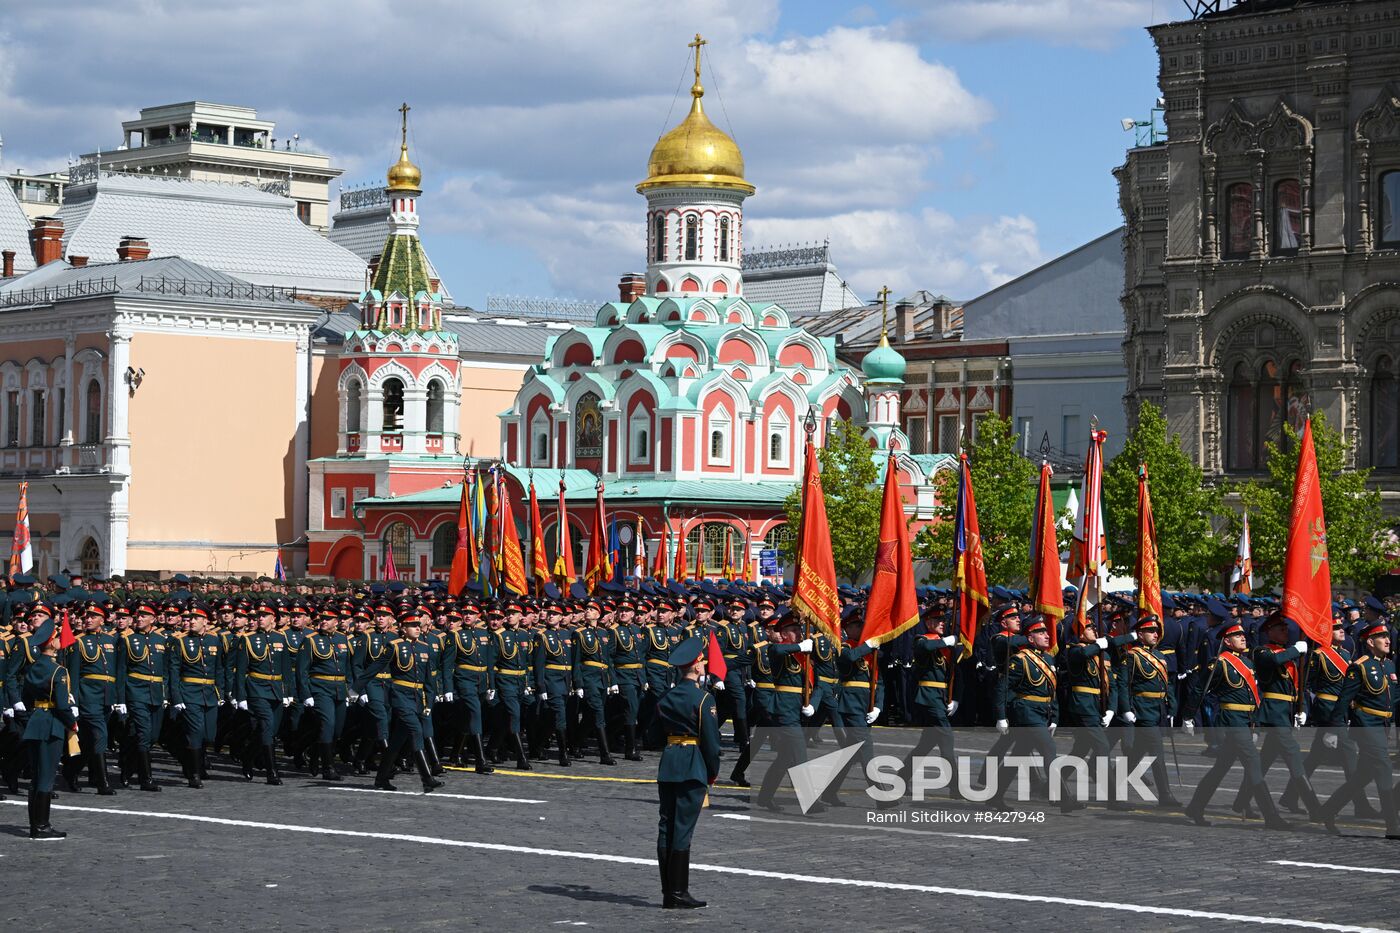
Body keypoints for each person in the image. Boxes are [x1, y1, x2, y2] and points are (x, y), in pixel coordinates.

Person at [1180, 619, 1289, 829]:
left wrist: (1254, 724)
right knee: (1254, 765)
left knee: (1220, 768)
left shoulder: (1248, 663)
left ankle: (1195, 806)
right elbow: (1200, 690)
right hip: (1231, 721)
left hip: (1245, 722)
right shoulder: (1219, 663)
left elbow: (1252, 696)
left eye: (1243, 635)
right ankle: (1272, 817)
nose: (1243, 637)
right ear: (1227, 641)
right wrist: (1188, 716)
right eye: (1237, 636)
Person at [654, 635, 720, 910]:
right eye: (702, 662)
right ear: (695, 667)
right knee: (682, 830)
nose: (704, 665)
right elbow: (712, 743)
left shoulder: (665, 697)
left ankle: (668, 890)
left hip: (669, 763)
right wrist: (712, 773)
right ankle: (678, 893)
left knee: (666, 826)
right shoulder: (703, 699)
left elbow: (653, 734)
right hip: (693, 765)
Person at [1317, 619, 1400, 838]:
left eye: (1387, 637)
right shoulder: (1359, 666)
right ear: (1370, 642)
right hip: (1366, 727)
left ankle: (1327, 811)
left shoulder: (1389, 665)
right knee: (1383, 770)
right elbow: (1344, 700)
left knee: (1362, 776)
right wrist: (1333, 730)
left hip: (1383, 727)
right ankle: (1393, 826)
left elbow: (1394, 698)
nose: (1387, 640)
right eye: (1382, 637)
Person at [21, 610, 78, 839]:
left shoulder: (34, 667)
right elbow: (62, 706)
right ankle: (42, 827)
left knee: (36, 776)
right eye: (57, 636)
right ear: (52, 643)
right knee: (46, 777)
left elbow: (26, 698)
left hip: (35, 721)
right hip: (52, 723)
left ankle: (36, 824)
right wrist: (72, 724)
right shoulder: (58, 671)